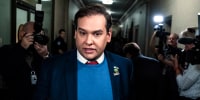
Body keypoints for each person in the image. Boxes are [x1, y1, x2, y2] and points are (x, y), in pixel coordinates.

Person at [33, 4, 134, 100]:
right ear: (75, 34)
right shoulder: (51, 67)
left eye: (97, 34)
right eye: (83, 33)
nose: (88, 41)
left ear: (108, 36)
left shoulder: (124, 66)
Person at [0, 21, 50, 100]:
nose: (35, 39)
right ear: (22, 34)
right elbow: (8, 72)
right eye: (33, 35)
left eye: (38, 36)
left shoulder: (39, 52)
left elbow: (53, 75)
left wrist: (46, 55)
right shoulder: (7, 50)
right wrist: (22, 48)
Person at [150, 31, 182, 100]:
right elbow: (152, 48)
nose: (170, 40)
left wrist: (163, 60)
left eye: (173, 39)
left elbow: (175, 65)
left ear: (177, 40)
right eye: (169, 38)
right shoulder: (164, 50)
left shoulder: (179, 51)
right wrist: (154, 34)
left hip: (173, 79)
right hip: (162, 78)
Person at [172, 27, 200, 100]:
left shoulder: (197, 63)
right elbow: (187, 75)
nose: (185, 49)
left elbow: (182, 85)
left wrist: (176, 68)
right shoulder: (192, 60)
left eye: (187, 46)